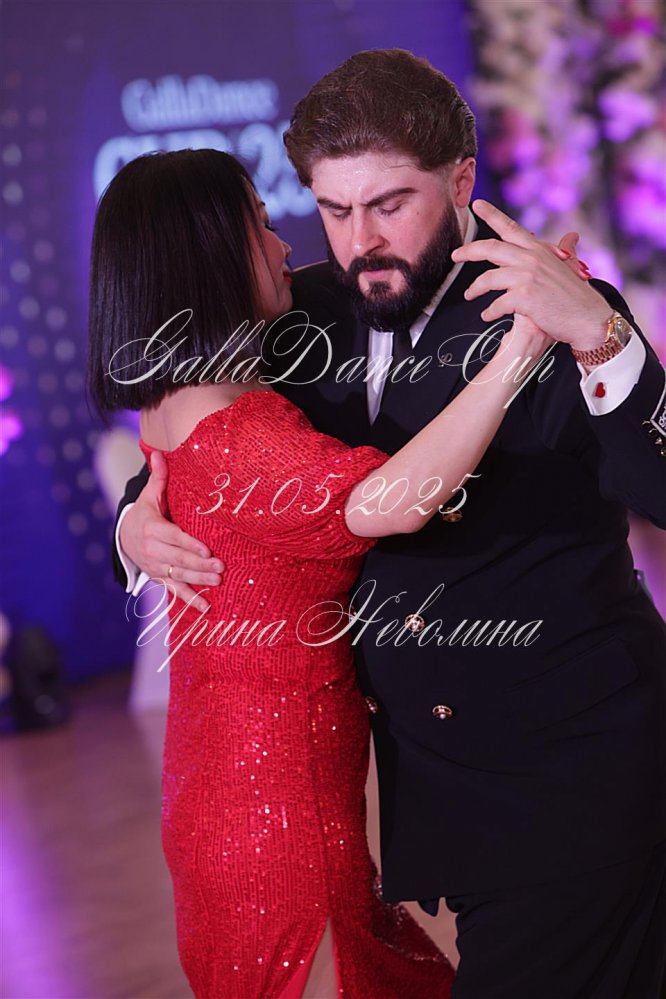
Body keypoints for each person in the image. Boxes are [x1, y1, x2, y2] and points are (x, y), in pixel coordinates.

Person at [114, 52, 666, 999]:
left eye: (388, 204)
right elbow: (211, 437)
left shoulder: (555, 302)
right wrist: (134, 516)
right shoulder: (292, 317)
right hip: (444, 798)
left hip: (583, 768)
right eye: (333, 210)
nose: (359, 241)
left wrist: (600, 335)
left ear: (461, 179)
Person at [89, 148, 561, 997]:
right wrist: (522, 345)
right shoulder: (239, 431)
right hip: (280, 821)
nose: (285, 247)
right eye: (262, 225)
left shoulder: (171, 403)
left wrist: (130, 522)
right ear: (208, 254)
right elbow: (398, 501)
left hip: (215, 797)